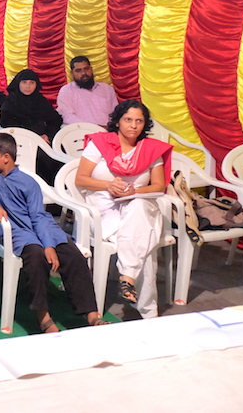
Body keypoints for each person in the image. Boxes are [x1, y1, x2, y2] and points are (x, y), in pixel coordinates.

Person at [0, 133, 107, 333]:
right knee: (36, 256)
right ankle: (43, 316)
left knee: (72, 255)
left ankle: (91, 314)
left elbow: (39, 216)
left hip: (43, 227)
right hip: (18, 231)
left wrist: (49, 244)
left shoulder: (27, 182)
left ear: (6, 157)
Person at [75, 99, 172, 319]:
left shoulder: (149, 149)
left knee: (138, 213)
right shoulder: (100, 144)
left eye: (139, 121)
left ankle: (127, 277)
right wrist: (108, 185)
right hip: (103, 207)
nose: (133, 125)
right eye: (128, 119)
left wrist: (134, 191)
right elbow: (81, 179)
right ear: (117, 121)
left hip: (138, 205)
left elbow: (158, 186)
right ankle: (149, 313)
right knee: (143, 241)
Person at [0, 69, 63, 142]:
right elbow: (5, 122)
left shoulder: (41, 100)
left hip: (42, 139)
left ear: (36, 85)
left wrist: (48, 135)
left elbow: (55, 119)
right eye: (24, 82)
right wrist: (31, 136)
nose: (28, 86)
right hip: (19, 139)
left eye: (32, 83)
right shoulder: (10, 101)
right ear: (18, 83)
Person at [56, 56, 118, 128]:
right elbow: (67, 116)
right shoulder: (66, 91)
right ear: (72, 73)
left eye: (86, 69)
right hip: (81, 133)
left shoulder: (107, 89)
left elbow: (115, 114)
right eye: (78, 70)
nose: (84, 73)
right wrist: (93, 128)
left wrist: (109, 127)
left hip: (108, 132)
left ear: (91, 69)